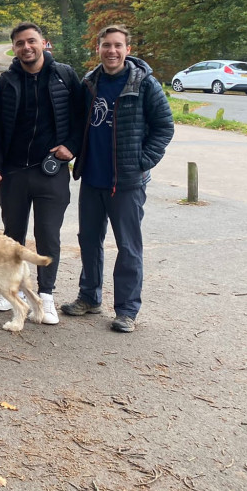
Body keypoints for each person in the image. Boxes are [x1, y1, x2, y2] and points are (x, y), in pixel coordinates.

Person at [62, 25, 174, 333]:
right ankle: (89, 296)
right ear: (97, 48)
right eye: (106, 45)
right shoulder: (90, 83)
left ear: (127, 49)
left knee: (128, 246)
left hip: (126, 183)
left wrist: (142, 162)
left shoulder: (144, 84)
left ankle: (126, 309)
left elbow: (164, 126)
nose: (111, 51)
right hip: (92, 178)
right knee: (88, 241)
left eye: (117, 46)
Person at [0, 22, 85, 324]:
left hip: (51, 171)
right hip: (13, 172)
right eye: (19, 43)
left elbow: (82, 117)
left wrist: (72, 146)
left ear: (44, 42)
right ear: (14, 48)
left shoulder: (65, 76)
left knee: (47, 235)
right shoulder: (5, 82)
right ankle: (10, 292)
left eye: (31, 41)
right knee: (12, 236)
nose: (26, 47)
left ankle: (47, 297)